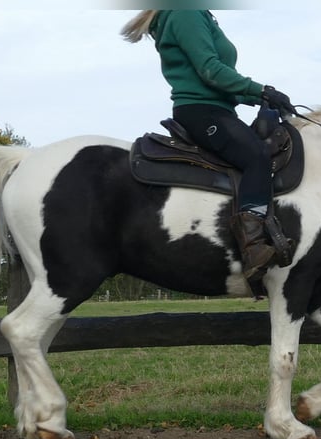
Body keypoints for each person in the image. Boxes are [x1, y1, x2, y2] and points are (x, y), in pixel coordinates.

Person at [121, 10, 296, 282]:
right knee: (257, 156)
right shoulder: (185, 12)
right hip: (202, 112)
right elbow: (209, 70)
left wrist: (261, 99)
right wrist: (261, 89)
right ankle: (252, 245)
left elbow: (217, 80)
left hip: (217, 109)